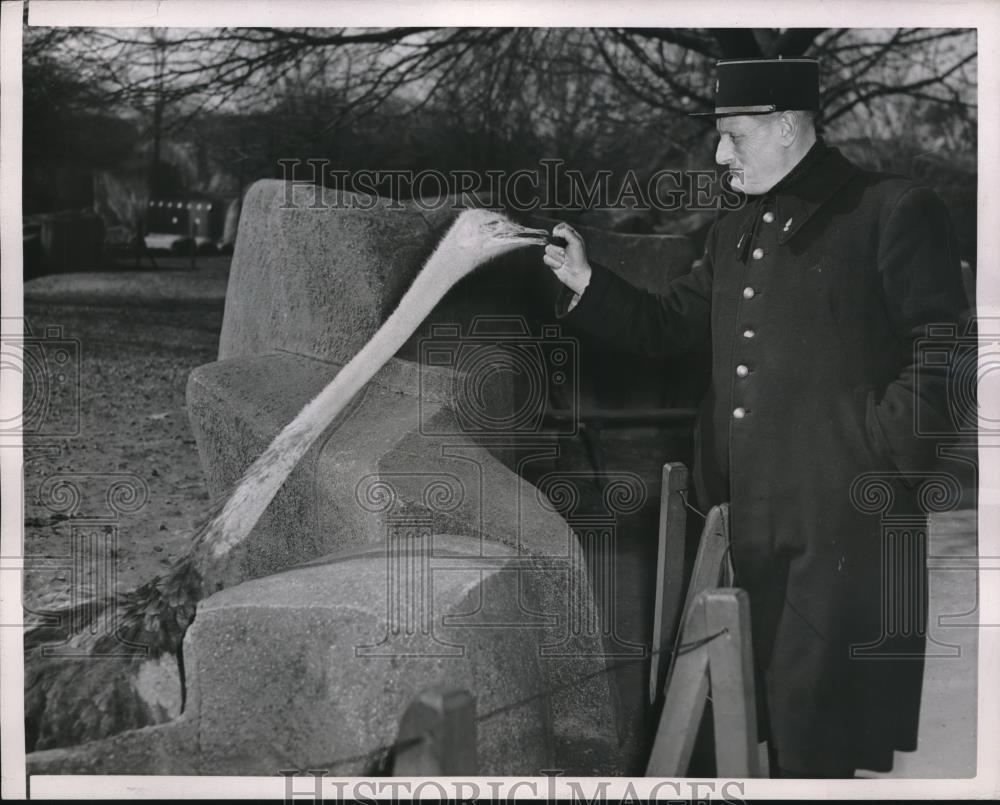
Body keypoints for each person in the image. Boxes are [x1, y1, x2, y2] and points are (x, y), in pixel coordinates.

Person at [543, 57, 970, 778]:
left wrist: (875, 457)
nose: (720, 154)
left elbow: (947, 350)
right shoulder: (734, 227)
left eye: (733, 136)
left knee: (816, 740)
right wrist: (589, 283)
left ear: (783, 127)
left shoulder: (891, 208)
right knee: (727, 726)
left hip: (840, 528)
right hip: (737, 519)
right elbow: (671, 324)